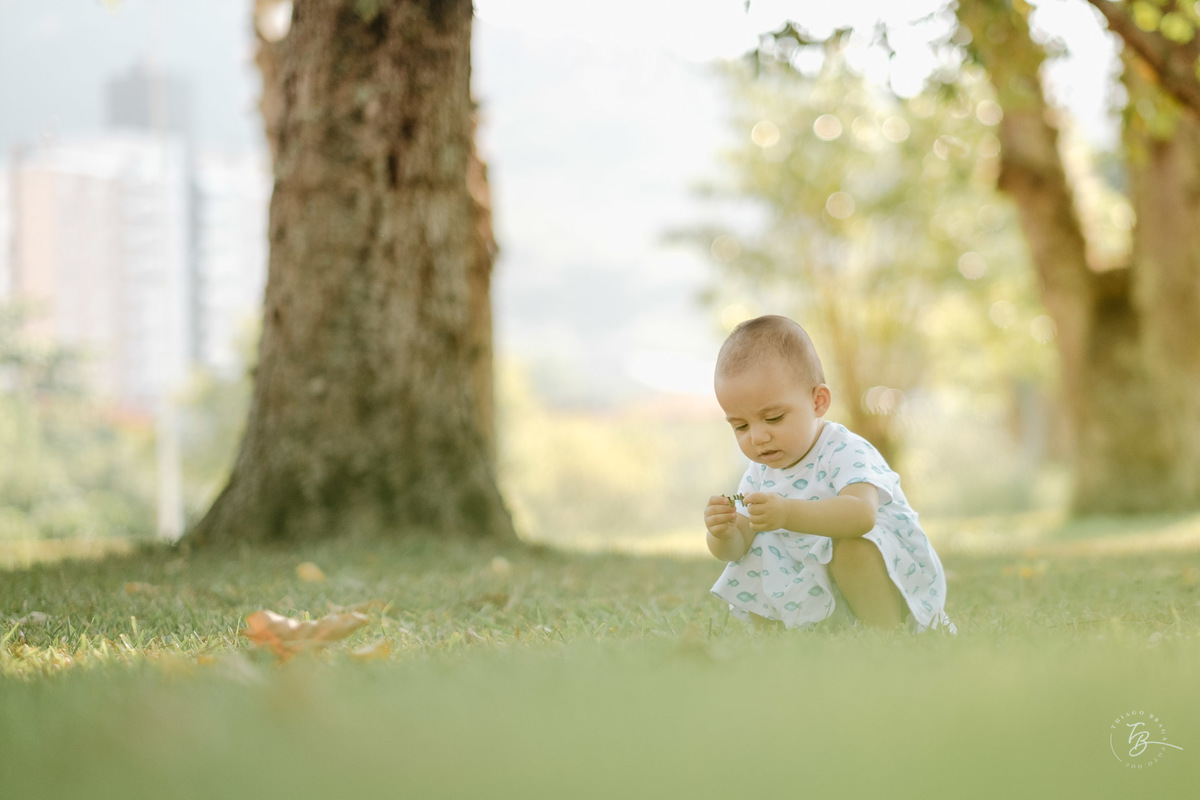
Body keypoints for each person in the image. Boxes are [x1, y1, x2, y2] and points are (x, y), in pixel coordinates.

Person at [704, 314, 955, 633]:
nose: (757, 437)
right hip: (813, 569)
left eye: (774, 418)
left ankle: (887, 632)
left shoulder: (844, 450)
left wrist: (786, 512)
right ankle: (788, 649)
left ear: (818, 401)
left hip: (884, 568)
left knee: (850, 548)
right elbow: (737, 548)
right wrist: (723, 533)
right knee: (757, 553)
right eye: (741, 426)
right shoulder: (760, 471)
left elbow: (861, 515)